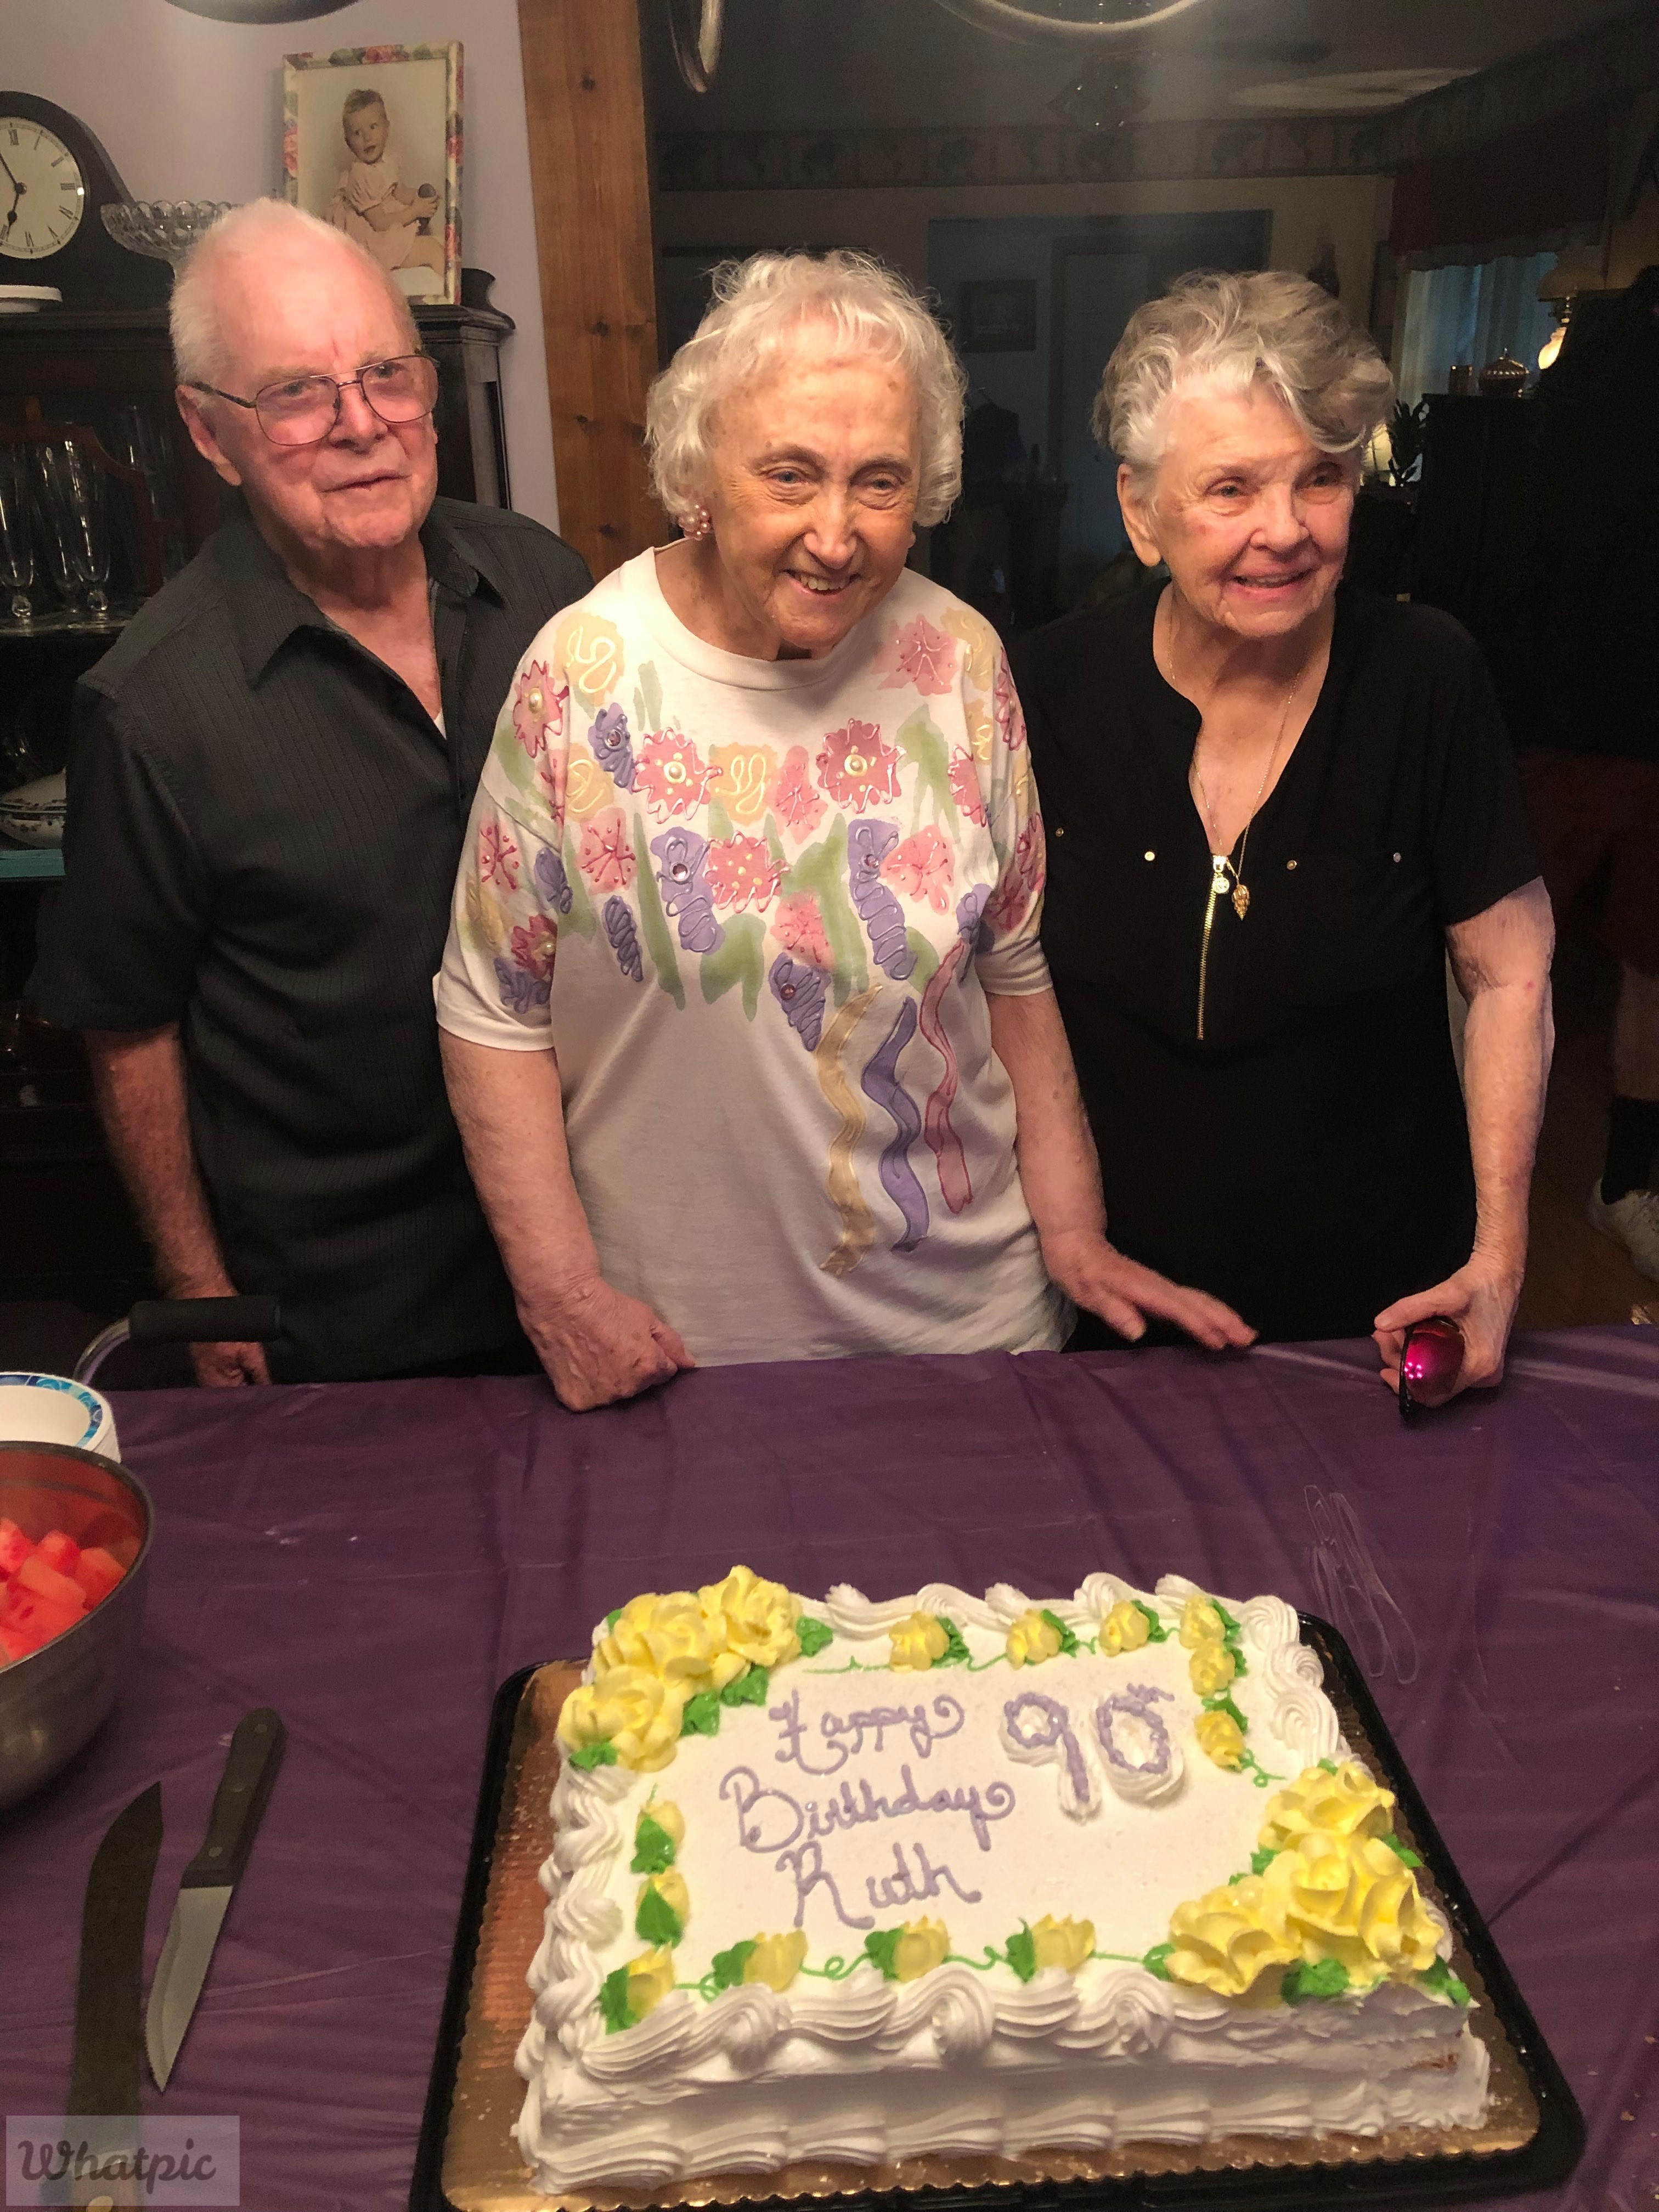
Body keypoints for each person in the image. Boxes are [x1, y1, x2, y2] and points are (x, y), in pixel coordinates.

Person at [435, 251, 1251, 1410]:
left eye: (879, 483)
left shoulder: (959, 658)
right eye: (789, 476)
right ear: (698, 472)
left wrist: (1072, 1235)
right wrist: (562, 1298)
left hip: (974, 1328)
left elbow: (1013, 975)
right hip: (679, 1347)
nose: (835, 534)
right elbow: (490, 1013)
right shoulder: (583, 673)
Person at [29, 199, 591, 1383]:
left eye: (387, 373)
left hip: (595, 1249)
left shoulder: (547, 587)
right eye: (295, 392)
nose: (362, 424)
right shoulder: (152, 711)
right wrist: (200, 1289)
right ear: (207, 431)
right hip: (352, 1319)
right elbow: (128, 1025)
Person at [1014, 271, 1554, 1399]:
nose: (1285, 530)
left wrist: (1497, 1261)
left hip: (1375, 1316)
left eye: (1321, 477)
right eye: (1230, 488)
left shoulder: (1426, 677)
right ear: (1138, 512)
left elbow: (1507, 975)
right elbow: (995, 982)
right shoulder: (1045, 688)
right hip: (1102, 1302)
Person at [1518, 267, 1659, 1281]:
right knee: (1497, 948)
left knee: (1653, 969)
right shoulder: (1594, 359)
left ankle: (1623, 1183)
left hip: (1592, 710)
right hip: (1565, 712)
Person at [327, 88, 444, 285]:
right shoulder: (360, 177)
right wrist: (415, 211)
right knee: (432, 250)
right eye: (357, 133)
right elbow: (379, 223)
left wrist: (419, 198)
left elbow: (400, 192)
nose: (367, 137)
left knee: (436, 240)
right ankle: (451, 296)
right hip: (372, 242)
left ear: (386, 128)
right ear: (349, 143)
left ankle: (415, 229)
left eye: (373, 127)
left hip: (386, 224)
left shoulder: (387, 163)